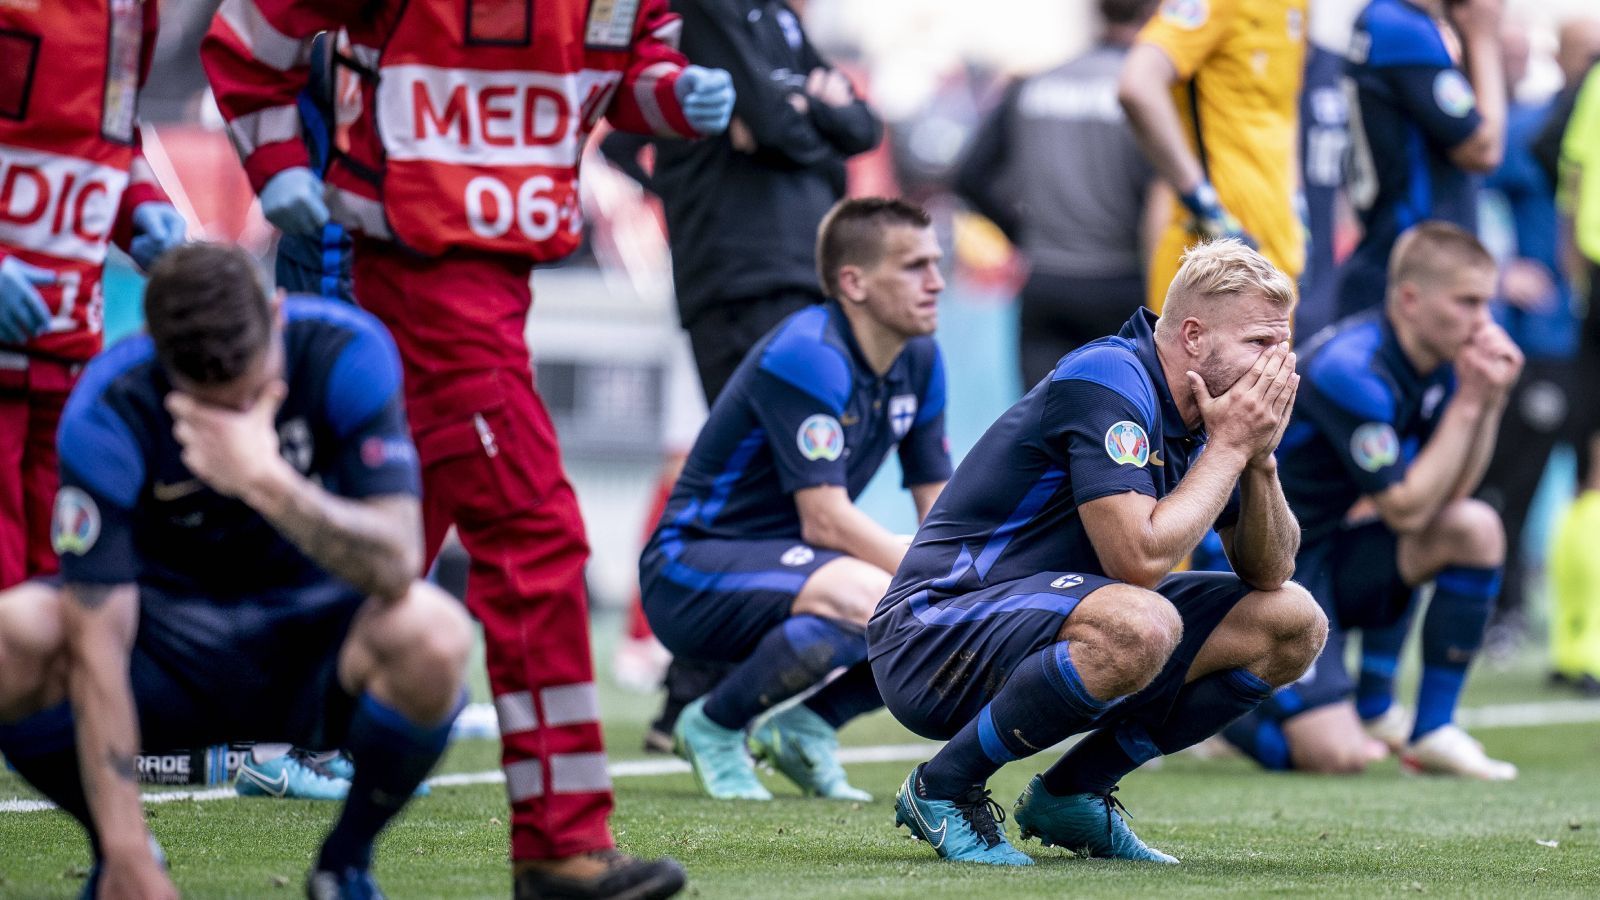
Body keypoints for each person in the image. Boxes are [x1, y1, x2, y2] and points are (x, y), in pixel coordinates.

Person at [202, 5, 734, 896]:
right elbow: (250, 35)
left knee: (383, 547)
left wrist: (675, 92)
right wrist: (280, 163)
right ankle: (558, 841)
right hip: (426, 274)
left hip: (495, 275)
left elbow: (623, 68)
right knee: (537, 540)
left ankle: (207, 710)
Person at [0, 243, 473, 898]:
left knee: (437, 632)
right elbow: (97, 642)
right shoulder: (111, 403)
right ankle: (126, 862)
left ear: (278, 315)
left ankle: (345, 866)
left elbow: (397, 563)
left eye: (253, 391)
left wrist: (264, 478)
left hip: (315, 648)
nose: (236, 416)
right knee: (11, 635)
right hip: (166, 653)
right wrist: (125, 847)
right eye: (212, 404)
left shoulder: (345, 350)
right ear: (164, 361)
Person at [870, 240, 1326, 865]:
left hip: (1050, 619)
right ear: (1193, 336)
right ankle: (942, 787)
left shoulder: (1214, 419)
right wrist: (1228, 449)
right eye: (1259, 343)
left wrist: (1258, 458)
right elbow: (1135, 562)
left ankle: (1072, 794)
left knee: (1292, 622)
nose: (1278, 365)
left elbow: (1270, 569)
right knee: (1142, 620)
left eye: (1284, 344)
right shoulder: (1109, 377)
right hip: (935, 630)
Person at [614, 0, 885, 749]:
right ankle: (693, 702)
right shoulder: (706, 11)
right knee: (764, 487)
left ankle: (695, 702)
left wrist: (788, 118)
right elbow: (780, 123)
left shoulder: (783, 22)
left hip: (799, 273)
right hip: (736, 276)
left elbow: (860, 128)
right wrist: (796, 116)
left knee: (778, 485)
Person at [641, 197, 950, 801]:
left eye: (936, 263)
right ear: (853, 282)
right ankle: (712, 725)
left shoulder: (919, 356)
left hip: (791, 566)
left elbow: (940, 510)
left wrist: (973, 583)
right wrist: (944, 575)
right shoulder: (809, 354)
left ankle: (806, 728)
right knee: (880, 592)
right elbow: (826, 520)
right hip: (690, 569)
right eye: (914, 266)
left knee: (949, 601)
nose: (937, 282)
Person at [1221, 222, 1522, 778]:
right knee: (1337, 757)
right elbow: (1404, 507)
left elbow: (1448, 493)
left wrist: (1489, 402)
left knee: (1473, 526)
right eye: (1468, 302)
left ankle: (1429, 727)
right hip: (1262, 568)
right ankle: (1209, 700)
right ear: (1410, 300)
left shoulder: (1440, 360)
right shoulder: (1351, 368)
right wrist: (1468, 405)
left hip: (1328, 550)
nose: (1484, 321)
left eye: (1488, 302)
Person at [0, 0, 186, 591]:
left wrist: (146, 211)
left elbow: (110, 136)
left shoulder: (131, 10)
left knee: (69, 588)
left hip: (69, 360)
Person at [954, 0, 1160, 387]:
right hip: (1123, 285)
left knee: (1042, 432)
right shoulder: (1150, 94)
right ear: (1154, 11)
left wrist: (1024, 236)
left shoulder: (1033, 85)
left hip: (1045, 281)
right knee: (1125, 435)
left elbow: (970, 176)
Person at [1117, 0, 1307, 313]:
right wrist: (1200, 199)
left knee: (1273, 361)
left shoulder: (1297, 6)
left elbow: (1285, 109)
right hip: (1212, 259)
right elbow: (1138, 83)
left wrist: (1297, 212)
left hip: (1277, 253)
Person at [1336, 0, 1506, 318]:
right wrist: (1484, 38)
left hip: (1393, 254)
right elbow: (1483, 149)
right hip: (1415, 269)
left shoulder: (1383, 18)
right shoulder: (1403, 27)